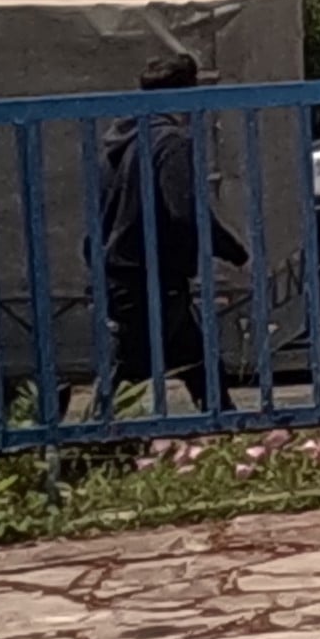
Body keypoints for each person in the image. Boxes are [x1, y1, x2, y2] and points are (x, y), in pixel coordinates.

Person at [93, 54, 246, 408]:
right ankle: (84, 447)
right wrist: (229, 247)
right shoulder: (170, 142)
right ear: (184, 93)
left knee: (198, 362)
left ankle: (224, 427)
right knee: (131, 372)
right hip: (151, 273)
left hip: (124, 269)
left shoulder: (120, 137)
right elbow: (184, 211)